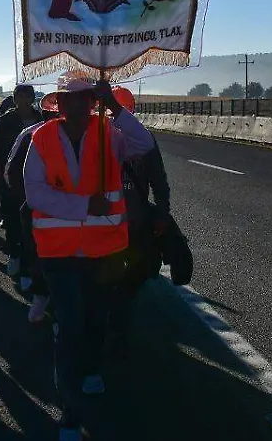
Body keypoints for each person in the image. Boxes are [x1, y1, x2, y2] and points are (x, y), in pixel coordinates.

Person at [23, 73, 154, 439]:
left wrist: (114, 104)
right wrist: (84, 206)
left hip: (103, 250)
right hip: (59, 253)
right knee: (70, 323)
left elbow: (144, 144)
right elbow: (35, 192)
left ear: (93, 102)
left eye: (85, 98)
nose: (78, 105)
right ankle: (70, 409)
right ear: (60, 105)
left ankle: (92, 367)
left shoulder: (110, 135)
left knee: (96, 316)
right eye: (71, 99)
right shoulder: (42, 138)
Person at [105, 87, 172, 357]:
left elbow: (158, 179)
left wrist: (162, 212)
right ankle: (115, 324)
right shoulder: (100, 137)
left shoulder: (143, 140)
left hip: (133, 221)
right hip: (110, 223)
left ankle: (117, 318)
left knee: (138, 270)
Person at [0, 84, 45, 284]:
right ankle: (14, 253)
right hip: (11, 178)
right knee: (13, 220)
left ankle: (27, 266)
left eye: (25, 96)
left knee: (33, 225)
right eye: (18, 96)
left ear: (32, 98)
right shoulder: (4, 120)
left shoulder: (43, 120)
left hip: (36, 179)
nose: (21, 100)